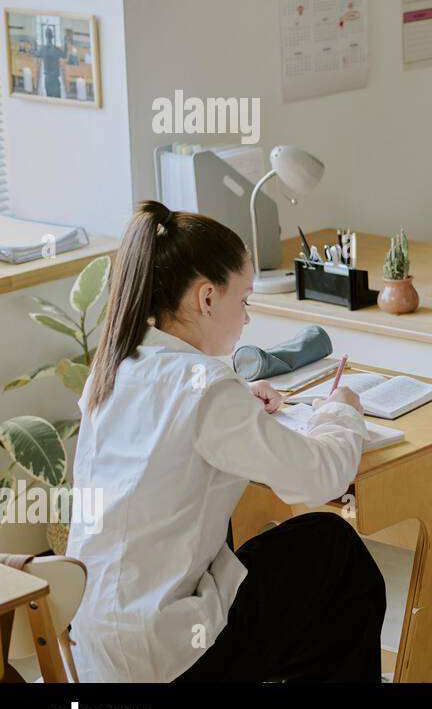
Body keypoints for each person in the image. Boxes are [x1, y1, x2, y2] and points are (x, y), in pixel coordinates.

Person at [67, 201, 386, 682]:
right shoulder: (206, 388)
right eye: (245, 300)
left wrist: (239, 400)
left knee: (253, 554)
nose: (247, 319)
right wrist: (341, 411)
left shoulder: (113, 370)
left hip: (95, 649)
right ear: (207, 298)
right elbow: (319, 478)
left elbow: (170, 437)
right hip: (166, 658)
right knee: (333, 549)